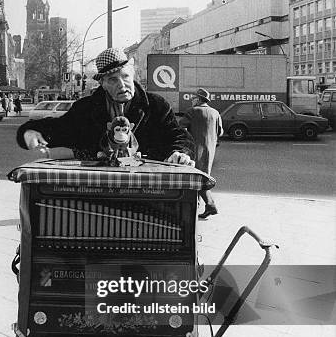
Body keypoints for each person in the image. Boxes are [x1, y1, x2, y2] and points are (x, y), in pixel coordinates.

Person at [17, 47, 195, 164]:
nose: (121, 84)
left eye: (125, 76)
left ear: (132, 75)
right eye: (112, 79)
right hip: (99, 188)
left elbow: (178, 136)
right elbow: (61, 129)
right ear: (102, 83)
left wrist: (180, 152)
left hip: (145, 189)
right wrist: (31, 130)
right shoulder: (86, 108)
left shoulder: (157, 106)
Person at [180, 88, 223, 219]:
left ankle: (210, 205)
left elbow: (180, 128)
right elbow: (220, 132)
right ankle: (197, 205)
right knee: (202, 175)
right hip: (210, 150)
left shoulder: (192, 112)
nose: (192, 101)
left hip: (194, 149)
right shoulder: (215, 113)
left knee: (196, 178)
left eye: (193, 99)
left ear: (198, 99)